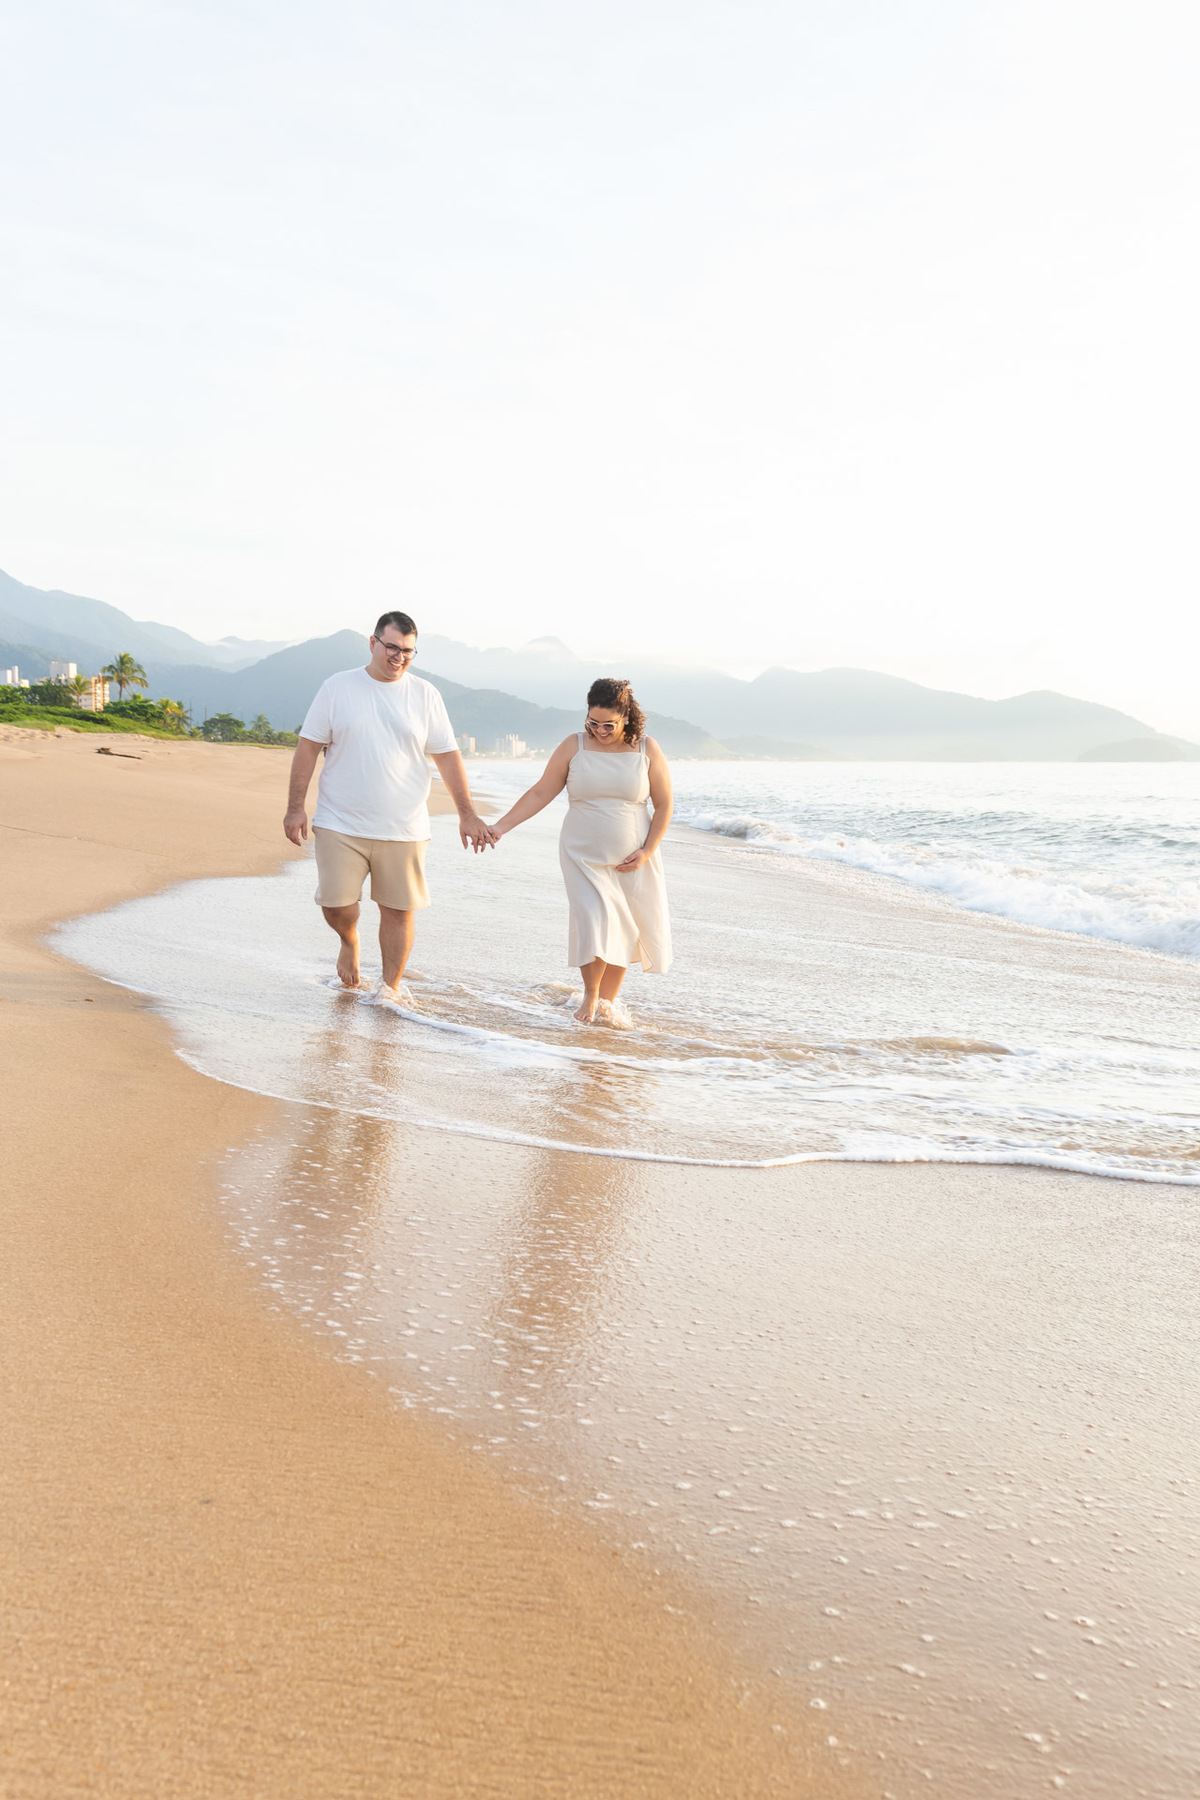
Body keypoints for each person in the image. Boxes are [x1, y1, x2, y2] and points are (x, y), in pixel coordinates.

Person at [283, 610, 494, 998]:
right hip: (339, 822)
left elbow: (447, 756)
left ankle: (389, 989)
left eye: (408, 651)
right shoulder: (337, 687)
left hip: (404, 826)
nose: (399, 657)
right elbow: (308, 747)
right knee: (336, 905)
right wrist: (296, 807)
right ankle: (349, 941)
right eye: (392, 647)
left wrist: (467, 814)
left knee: (398, 910)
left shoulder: (425, 694)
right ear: (373, 643)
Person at [491, 677, 672, 1023]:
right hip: (581, 854)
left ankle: (607, 1002)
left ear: (626, 718)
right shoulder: (573, 746)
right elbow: (540, 793)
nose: (600, 731)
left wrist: (648, 851)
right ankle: (589, 996)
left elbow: (664, 805)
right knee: (593, 919)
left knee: (623, 928)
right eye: (593, 722)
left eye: (609, 725)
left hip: (633, 857)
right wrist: (501, 827)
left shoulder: (647, 750)